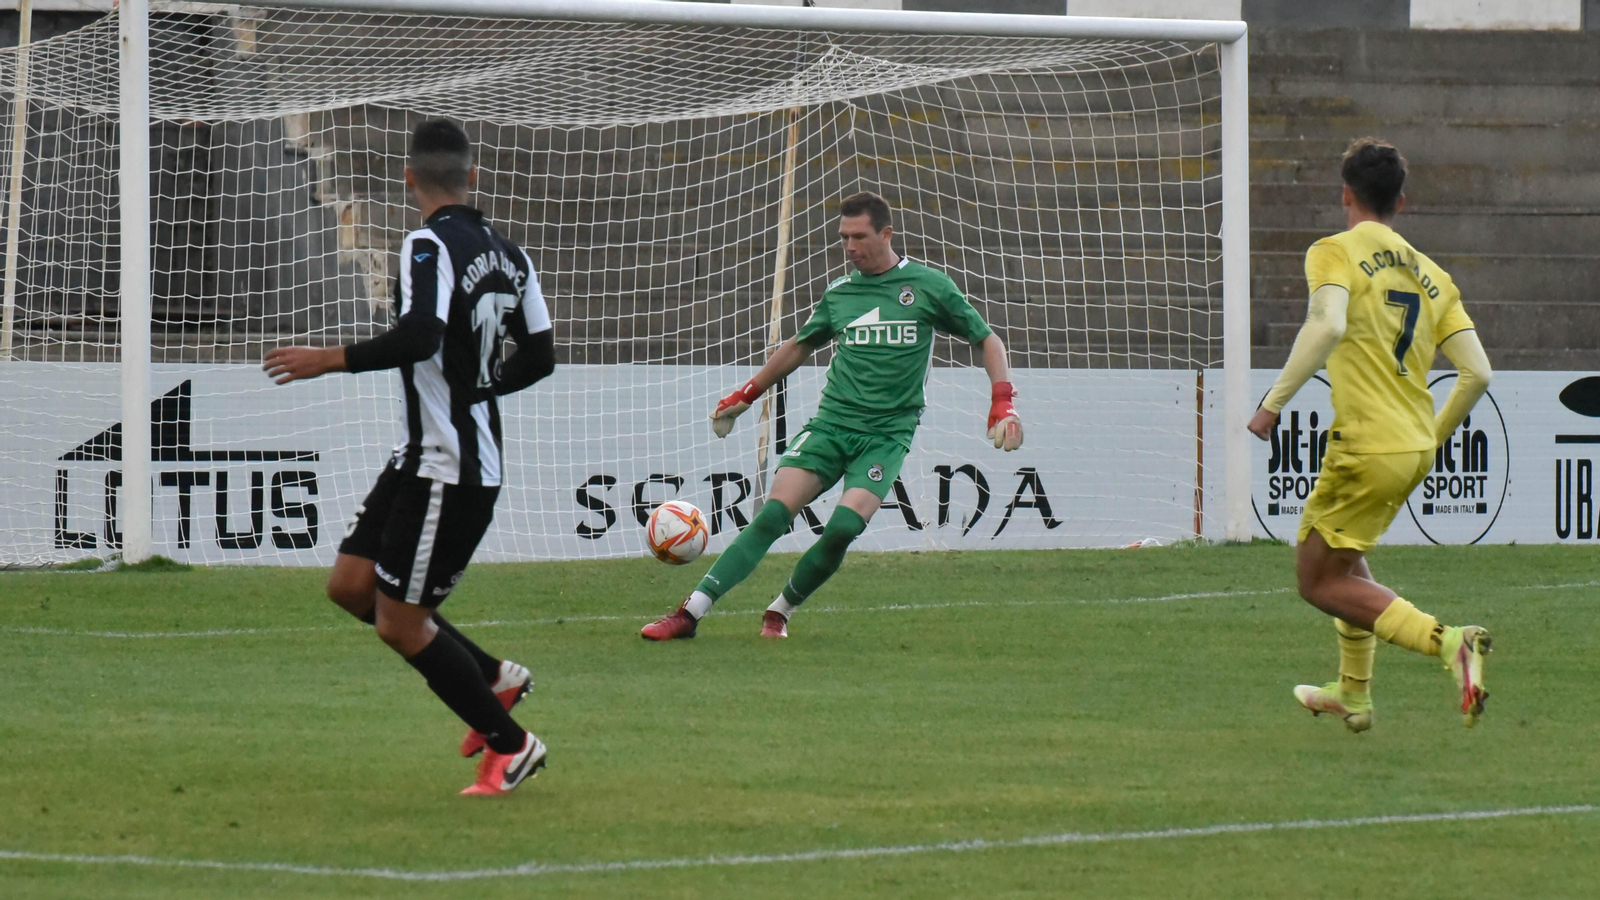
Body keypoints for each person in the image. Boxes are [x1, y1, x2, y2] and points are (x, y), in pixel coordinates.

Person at [264, 119, 556, 793]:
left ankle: (512, 746)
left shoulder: (425, 244)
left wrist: (328, 359)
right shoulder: (510, 254)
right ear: (472, 176)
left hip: (450, 467)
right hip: (422, 456)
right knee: (351, 587)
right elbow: (539, 356)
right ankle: (492, 678)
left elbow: (421, 334)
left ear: (408, 178)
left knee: (398, 623)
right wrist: (485, 388)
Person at [641, 191, 1023, 641]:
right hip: (831, 425)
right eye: (843, 237)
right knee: (770, 516)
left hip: (886, 434)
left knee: (842, 528)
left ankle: (781, 609)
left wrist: (1002, 401)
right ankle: (690, 613)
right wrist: (746, 393)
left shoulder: (928, 286)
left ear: (886, 234)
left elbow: (988, 339)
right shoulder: (840, 294)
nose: (849, 246)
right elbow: (801, 345)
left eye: (859, 236)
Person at [1247, 137, 1494, 732]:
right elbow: (1477, 372)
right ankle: (1353, 694)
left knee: (1317, 579)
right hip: (1413, 446)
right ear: (1401, 203)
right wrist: (1430, 438)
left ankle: (1449, 642)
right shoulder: (1434, 275)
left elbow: (1327, 322)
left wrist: (1272, 403)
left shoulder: (1334, 251)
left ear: (1346, 194)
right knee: (1346, 559)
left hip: (1366, 443)